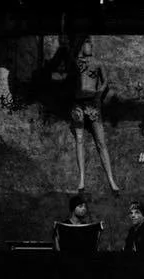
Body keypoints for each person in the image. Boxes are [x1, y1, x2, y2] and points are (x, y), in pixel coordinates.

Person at [48, 33, 120, 193]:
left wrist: (99, 92)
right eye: (86, 43)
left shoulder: (97, 63)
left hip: (93, 103)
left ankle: (111, 180)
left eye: (90, 43)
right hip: (78, 103)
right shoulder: (74, 63)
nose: (89, 46)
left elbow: (105, 81)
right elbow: (64, 79)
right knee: (79, 140)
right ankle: (81, 179)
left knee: (101, 142)